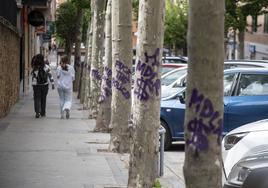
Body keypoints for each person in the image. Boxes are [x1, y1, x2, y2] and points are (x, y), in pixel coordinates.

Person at [31, 54, 55, 118]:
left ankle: (37, 112)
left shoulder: (35, 67)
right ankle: (43, 112)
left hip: (36, 85)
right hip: (45, 85)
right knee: (43, 99)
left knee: (37, 98)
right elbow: (50, 75)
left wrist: (33, 85)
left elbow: (34, 77)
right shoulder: (46, 67)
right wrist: (52, 83)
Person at [56, 55, 75, 119]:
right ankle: (67, 109)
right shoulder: (71, 68)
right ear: (67, 61)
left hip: (60, 86)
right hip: (68, 87)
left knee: (61, 99)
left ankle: (62, 114)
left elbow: (57, 76)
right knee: (68, 100)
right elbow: (73, 78)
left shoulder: (59, 68)